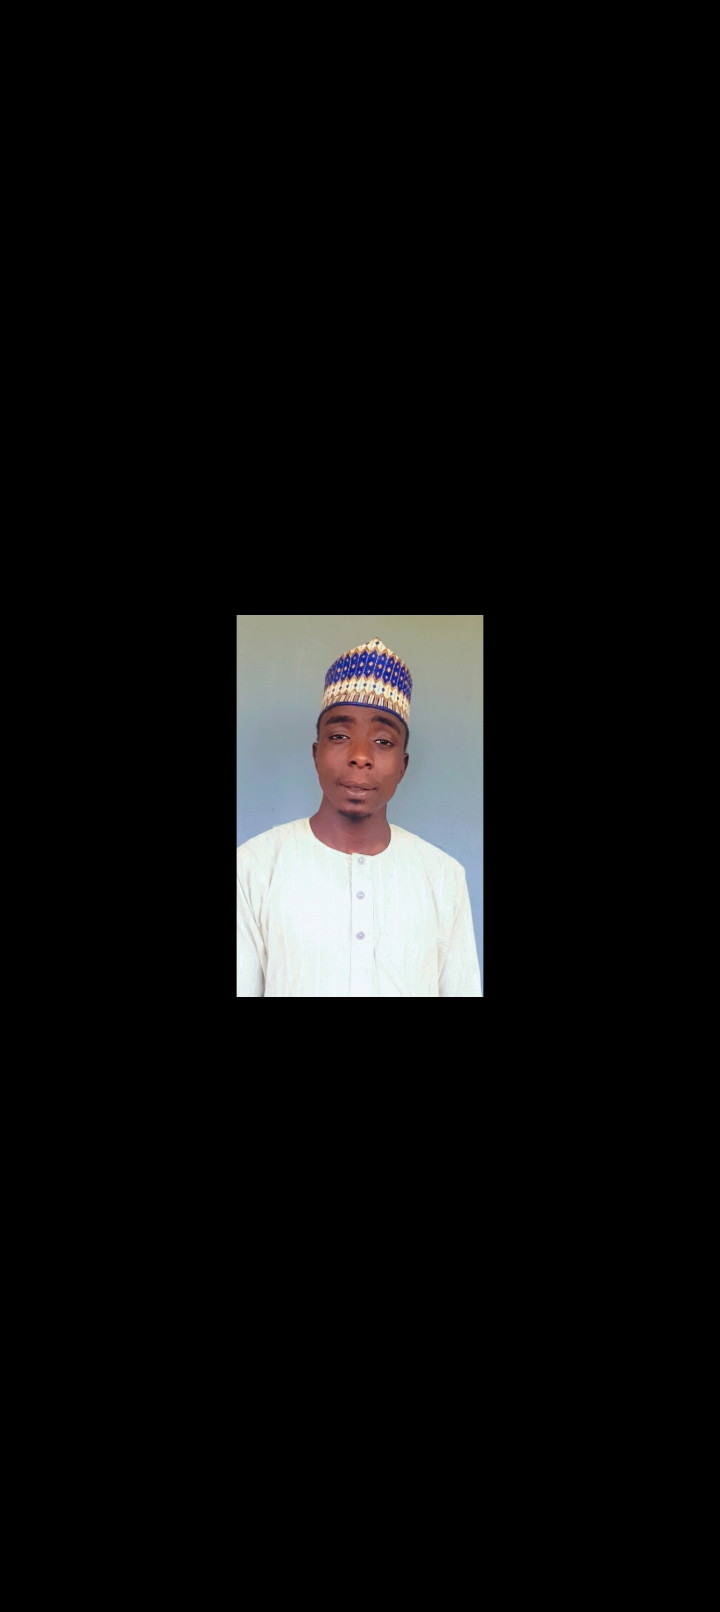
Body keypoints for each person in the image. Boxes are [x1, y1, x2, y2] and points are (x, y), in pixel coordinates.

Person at [236, 635, 483, 997]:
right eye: (339, 736)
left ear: (403, 766)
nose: (361, 756)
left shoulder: (443, 877)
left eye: (383, 741)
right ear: (316, 754)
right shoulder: (255, 868)